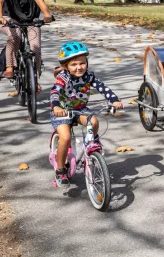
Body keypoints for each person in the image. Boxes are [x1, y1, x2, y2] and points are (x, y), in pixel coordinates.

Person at [50, 42, 123, 186]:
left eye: (82, 63)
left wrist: (114, 100)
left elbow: (103, 88)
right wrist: (56, 107)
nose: (79, 67)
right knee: (65, 138)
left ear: (87, 63)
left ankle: (91, 145)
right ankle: (60, 170)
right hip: (62, 111)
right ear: (66, 66)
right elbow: (54, 92)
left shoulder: (89, 76)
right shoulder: (63, 78)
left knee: (94, 121)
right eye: (74, 64)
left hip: (80, 110)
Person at [0, 0, 53, 88]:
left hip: (30, 19)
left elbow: (40, 1)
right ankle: (10, 66)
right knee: (15, 36)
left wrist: (47, 14)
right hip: (9, 18)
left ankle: (35, 80)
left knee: (35, 47)